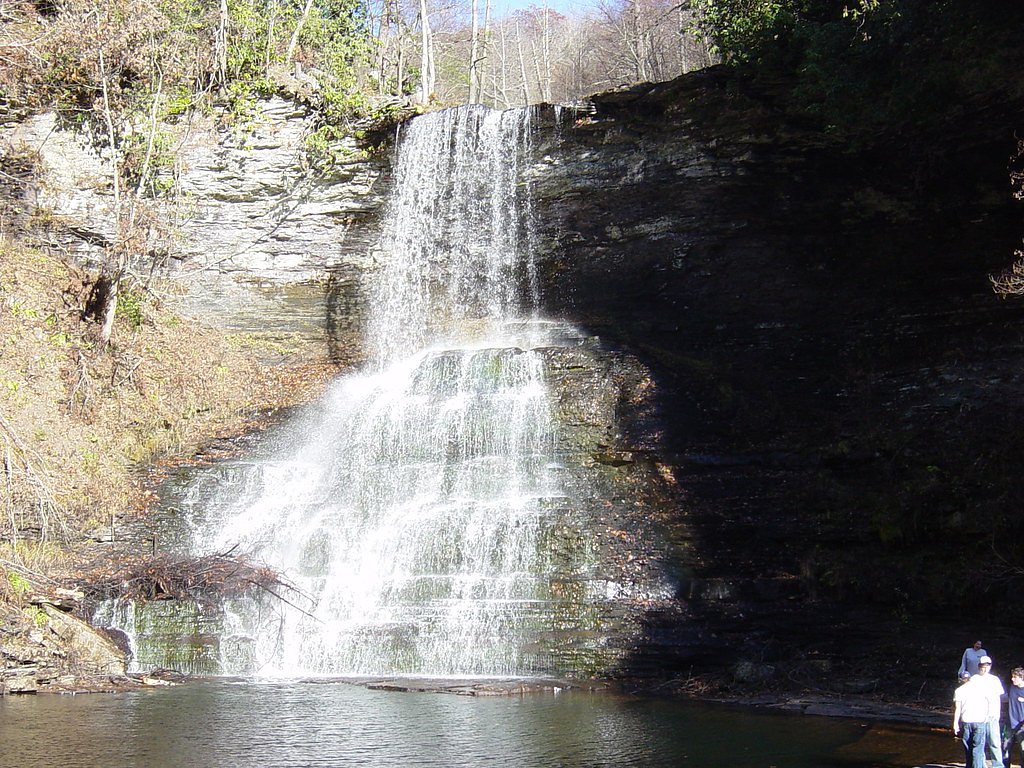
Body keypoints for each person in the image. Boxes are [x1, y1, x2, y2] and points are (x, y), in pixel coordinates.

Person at [975, 655, 1007, 768]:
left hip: (993, 716)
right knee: (980, 743)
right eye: (983, 666)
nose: (985, 668)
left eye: (987, 666)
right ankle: (981, 764)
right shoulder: (974, 679)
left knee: (995, 742)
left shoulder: (995, 680)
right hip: (978, 717)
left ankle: (998, 765)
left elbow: (1001, 697)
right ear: (979, 666)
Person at [956, 672, 992, 768]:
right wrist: (986, 716)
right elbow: (988, 702)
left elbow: (958, 709)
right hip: (980, 721)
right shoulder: (980, 689)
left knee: (968, 747)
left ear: (960, 680)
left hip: (966, 721)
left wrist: (955, 724)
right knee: (978, 749)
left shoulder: (959, 690)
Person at [1004, 667, 1024, 768]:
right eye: (1012, 677)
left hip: (1022, 726)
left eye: (1015, 677)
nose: (1012, 679)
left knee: (1023, 750)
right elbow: (1003, 698)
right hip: (1010, 723)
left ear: (1021, 678)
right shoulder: (1011, 688)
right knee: (1005, 749)